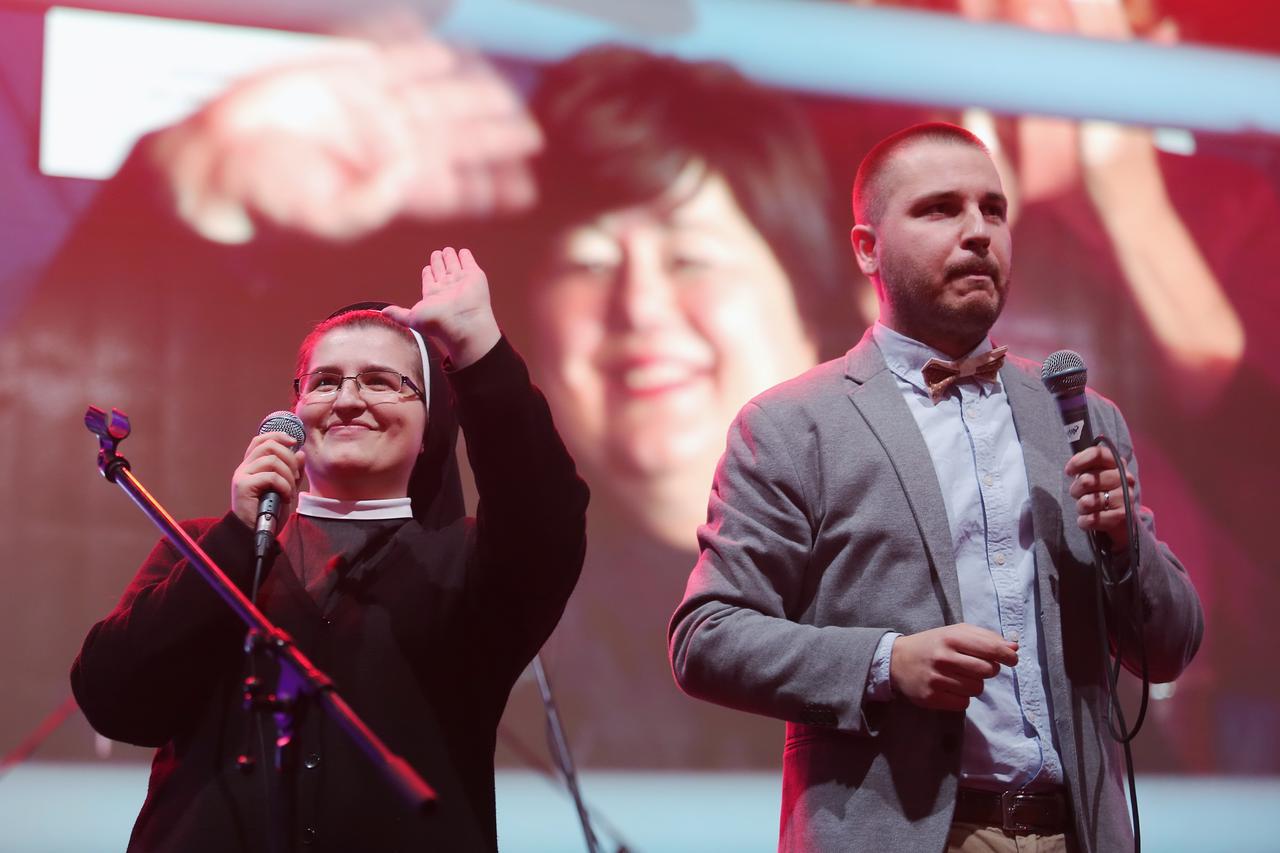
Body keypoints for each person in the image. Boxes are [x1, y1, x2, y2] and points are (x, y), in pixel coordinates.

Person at [668, 123, 1203, 852]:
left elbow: (1170, 647)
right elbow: (706, 637)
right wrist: (886, 663)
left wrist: (1122, 540)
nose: (979, 231)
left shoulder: (1079, 417)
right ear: (868, 248)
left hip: (1076, 832)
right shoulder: (795, 424)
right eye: (940, 209)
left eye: (993, 209)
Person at [69, 247, 589, 852]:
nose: (347, 400)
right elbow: (115, 701)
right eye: (325, 381)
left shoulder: (472, 566)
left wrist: (479, 350)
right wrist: (237, 536)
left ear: (430, 427)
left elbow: (546, 513)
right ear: (294, 412)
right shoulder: (201, 550)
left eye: (380, 381)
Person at [491, 45, 868, 768]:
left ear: (811, 310)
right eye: (588, 261)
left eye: (690, 257)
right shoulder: (478, 609)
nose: (638, 306)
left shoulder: (923, 569)